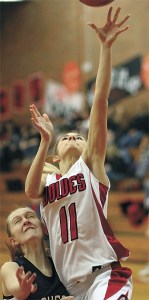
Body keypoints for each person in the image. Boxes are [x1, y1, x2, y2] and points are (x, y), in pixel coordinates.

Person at [25, 7, 133, 300]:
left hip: (104, 277)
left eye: (79, 137)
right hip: (69, 286)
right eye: (66, 137)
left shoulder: (91, 166)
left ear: (91, 148)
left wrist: (105, 48)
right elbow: (31, 190)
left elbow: (100, 101)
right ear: (56, 156)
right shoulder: (48, 183)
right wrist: (45, 140)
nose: (73, 136)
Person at [0, 207, 74, 300]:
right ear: (13, 241)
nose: (26, 221)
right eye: (17, 221)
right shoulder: (10, 267)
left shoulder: (60, 264)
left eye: (30, 216)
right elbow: (16, 288)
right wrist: (21, 290)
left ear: (44, 229)